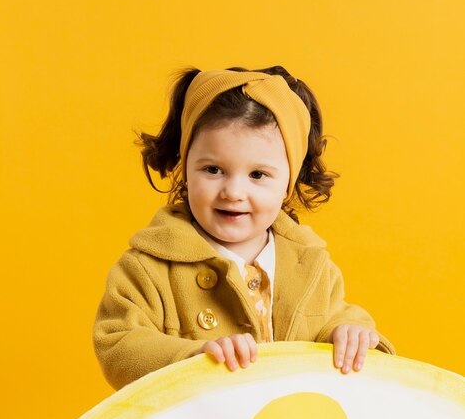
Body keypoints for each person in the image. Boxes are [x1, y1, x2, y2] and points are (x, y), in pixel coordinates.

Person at [93, 66, 395, 390]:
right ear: (185, 170)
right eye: (213, 169)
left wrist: (351, 331)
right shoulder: (148, 267)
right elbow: (118, 341)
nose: (233, 192)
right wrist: (191, 358)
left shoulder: (311, 265)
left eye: (258, 175)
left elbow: (335, 317)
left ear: (287, 185)